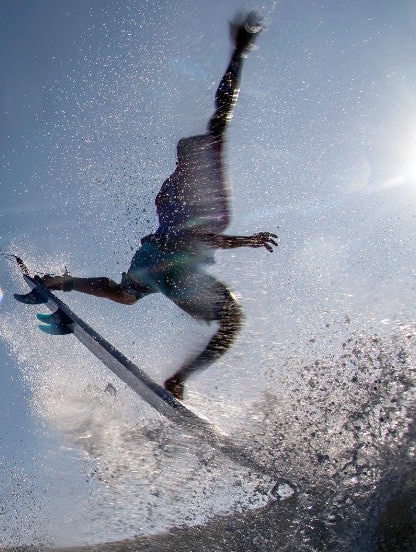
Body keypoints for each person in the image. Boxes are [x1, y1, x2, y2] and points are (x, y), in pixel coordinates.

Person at [41, 12, 277, 400]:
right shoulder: (192, 191)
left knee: (125, 295)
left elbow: (220, 114)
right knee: (232, 320)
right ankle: (179, 379)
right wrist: (240, 52)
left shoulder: (175, 190)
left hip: (150, 261)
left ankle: (64, 281)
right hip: (172, 264)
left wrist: (238, 53)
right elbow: (223, 109)